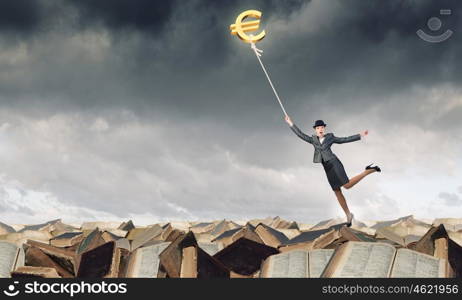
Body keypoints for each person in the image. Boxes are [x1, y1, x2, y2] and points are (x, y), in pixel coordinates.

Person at [284, 116, 381, 227]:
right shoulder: (313, 140)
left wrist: (360, 135)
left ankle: (367, 171)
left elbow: (344, 139)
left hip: (334, 163)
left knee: (347, 185)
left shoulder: (330, 137)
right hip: (327, 168)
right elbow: (300, 134)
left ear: (324, 128)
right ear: (315, 130)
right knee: (337, 191)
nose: (320, 129)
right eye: (318, 128)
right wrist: (290, 123)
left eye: (322, 127)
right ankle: (348, 215)